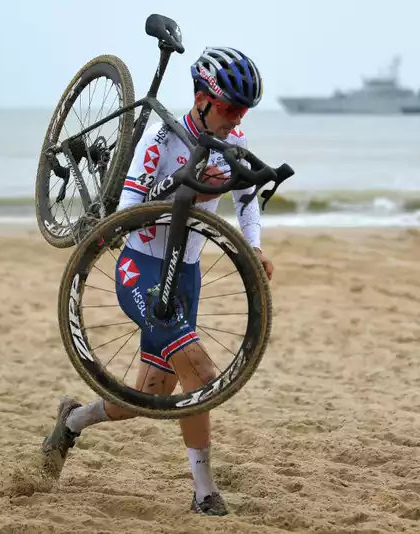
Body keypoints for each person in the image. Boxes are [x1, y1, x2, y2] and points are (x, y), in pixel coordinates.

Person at [40, 46, 273, 516]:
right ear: (203, 99)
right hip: (141, 269)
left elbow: (247, 195)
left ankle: (73, 421)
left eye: (244, 111)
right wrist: (180, 187)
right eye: (230, 108)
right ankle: (204, 492)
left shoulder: (231, 141)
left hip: (185, 276)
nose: (237, 118)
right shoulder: (160, 141)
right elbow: (126, 215)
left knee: (149, 395)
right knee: (202, 374)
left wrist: (253, 244)